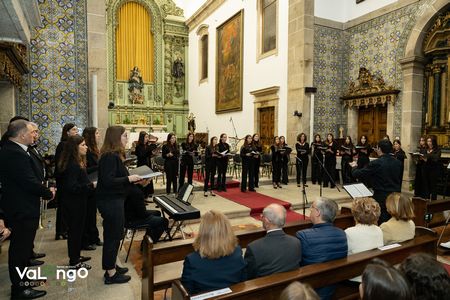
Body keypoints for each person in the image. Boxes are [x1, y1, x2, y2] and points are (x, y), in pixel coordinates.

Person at [0, 120, 54, 299]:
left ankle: (23, 281)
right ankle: (20, 289)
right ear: (22, 134)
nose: (34, 135)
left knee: (23, 251)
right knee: (19, 252)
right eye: (32, 132)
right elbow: (28, 182)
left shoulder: (17, 150)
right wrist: (48, 193)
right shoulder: (14, 153)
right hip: (21, 209)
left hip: (23, 207)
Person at [96, 126, 142, 284]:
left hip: (114, 200)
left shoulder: (114, 155)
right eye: (124, 136)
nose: (126, 139)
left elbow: (117, 180)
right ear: (116, 138)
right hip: (110, 202)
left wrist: (137, 181)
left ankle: (112, 266)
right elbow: (108, 181)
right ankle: (110, 274)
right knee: (112, 237)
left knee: (114, 235)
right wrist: (129, 179)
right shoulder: (110, 156)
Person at [181, 210, 246, 294]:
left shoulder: (192, 260)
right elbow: (243, 280)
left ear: (202, 232)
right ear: (227, 230)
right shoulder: (237, 251)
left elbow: (187, 290)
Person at [296, 197, 347, 299]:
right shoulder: (341, 233)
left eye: (312, 207)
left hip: (310, 291)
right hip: (332, 286)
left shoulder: (303, 235)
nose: (310, 209)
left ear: (318, 212)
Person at [58, 135, 95, 269]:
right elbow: (72, 187)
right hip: (74, 203)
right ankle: (74, 261)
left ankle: (76, 255)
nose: (86, 147)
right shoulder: (73, 165)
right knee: (75, 232)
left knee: (78, 231)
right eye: (83, 145)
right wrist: (91, 186)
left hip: (78, 202)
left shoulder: (75, 161)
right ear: (75, 147)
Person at [244, 204, 301, 279]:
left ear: (267, 221)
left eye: (262, 216)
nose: (261, 218)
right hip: (291, 286)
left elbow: (248, 276)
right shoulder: (296, 242)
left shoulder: (254, 248)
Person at [352, 139, 402, 223]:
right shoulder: (398, 163)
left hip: (381, 197)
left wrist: (354, 166)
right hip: (395, 196)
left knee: (382, 220)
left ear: (379, 149)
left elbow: (358, 174)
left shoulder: (377, 163)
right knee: (393, 220)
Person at [54, 123, 79, 240]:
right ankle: (61, 231)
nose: (76, 132)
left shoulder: (70, 144)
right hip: (64, 180)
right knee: (63, 207)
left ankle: (66, 229)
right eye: (73, 130)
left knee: (68, 207)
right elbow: (61, 165)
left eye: (76, 130)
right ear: (67, 132)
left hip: (69, 179)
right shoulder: (62, 145)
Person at [81, 127, 102, 251]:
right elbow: (85, 170)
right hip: (89, 183)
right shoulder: (86, 150)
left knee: (92, 213)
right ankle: (87, 240)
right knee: (88, 214)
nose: (99, 135)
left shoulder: (94, 149)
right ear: (91, 136)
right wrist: (100, 166)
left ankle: (94, 238)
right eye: (97, 133)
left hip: (95, 183)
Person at [422, 135, 441, 200]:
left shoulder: (437, 150)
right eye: (428, 141)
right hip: (425, 170)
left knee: (433, 187)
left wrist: (428, 157)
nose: (429, 143)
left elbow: (436, 158)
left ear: (433, 142)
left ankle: (433, 203)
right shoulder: (425, 149)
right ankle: (426, 201)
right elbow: (423, 157)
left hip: (433, 170)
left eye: (430, 141)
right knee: (426, 186)